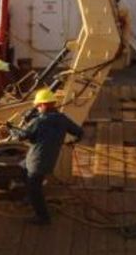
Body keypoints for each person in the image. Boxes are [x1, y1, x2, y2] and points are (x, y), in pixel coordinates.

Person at [10, 88, 84, 225]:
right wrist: (72, 142)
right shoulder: (62, 118)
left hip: (36, 162)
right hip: (48, 160)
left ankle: (43, 217)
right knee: (22, 167)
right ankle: (29, 197)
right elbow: (79, 132)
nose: (37, 109)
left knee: (35, 189)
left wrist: (10, 128)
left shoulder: (38, 122)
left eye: (38, 106)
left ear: (43, 105)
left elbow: (20, 136)